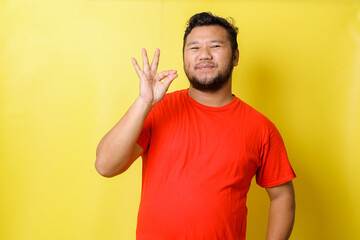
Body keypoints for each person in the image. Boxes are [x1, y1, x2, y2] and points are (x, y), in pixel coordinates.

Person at [95, 12, 296, 240]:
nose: (204, 55)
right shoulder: (157, 110)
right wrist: (143, 102)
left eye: (215, 46)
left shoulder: (261, 128)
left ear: (236, 56)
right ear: (184, 57)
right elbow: (105, 166)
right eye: (194, 48)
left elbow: (282, 196)